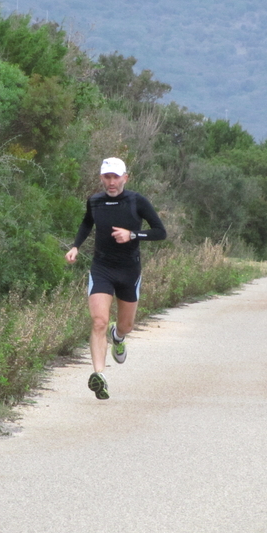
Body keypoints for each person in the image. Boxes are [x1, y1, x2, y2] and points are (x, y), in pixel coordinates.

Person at [65, 158, 167, 400]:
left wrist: (132, 234)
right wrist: (75, 246)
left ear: (125, 178)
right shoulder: (95, 201)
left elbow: (160, 232)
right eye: (106, 177)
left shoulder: (136, 201)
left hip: (129, 271)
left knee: (126, 326)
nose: (111, 182)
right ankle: (99, 375)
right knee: (99, 322)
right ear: (101, 178)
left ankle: (118, 337)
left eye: (115, 177)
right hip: (102, 268)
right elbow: (87, 223)